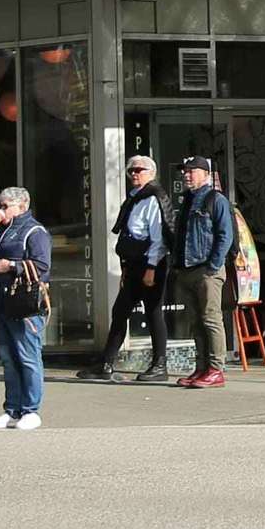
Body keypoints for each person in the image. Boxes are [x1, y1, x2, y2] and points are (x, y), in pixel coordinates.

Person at [84, 152, 170, 382]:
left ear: (151, 173)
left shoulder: (153, 198)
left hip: (150, 263)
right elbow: (126, 234)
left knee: (153, 312)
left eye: (139, 170)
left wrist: (151, 268)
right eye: (131, 170)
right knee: (120, 311)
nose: (134, 174)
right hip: (133, 264)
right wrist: (125, 268)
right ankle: (106, 363)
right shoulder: (134, 198)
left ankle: (160, 365)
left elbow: (158, 238)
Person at [0, 185, 54, 431]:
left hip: (23, 305)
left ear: (22, 206)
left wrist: (11, 266)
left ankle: (31, 410)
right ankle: (12, 409)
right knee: (8, 359)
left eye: (5, 206)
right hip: (0, 304)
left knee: (27, 357)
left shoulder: (34, 231)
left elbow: (42, 265)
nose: (0, 210)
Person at [170, 153, 237, 389]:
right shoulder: (187, 201)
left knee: (211, 319)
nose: (186, 175)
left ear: (206, 174)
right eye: (185, 171)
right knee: (195, 321)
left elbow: (225, 235)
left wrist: (213, 266)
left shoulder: (215, 199)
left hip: (207, 270)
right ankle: (201, 368)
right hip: (187, 269)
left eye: (192, 171)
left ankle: (216, 370)